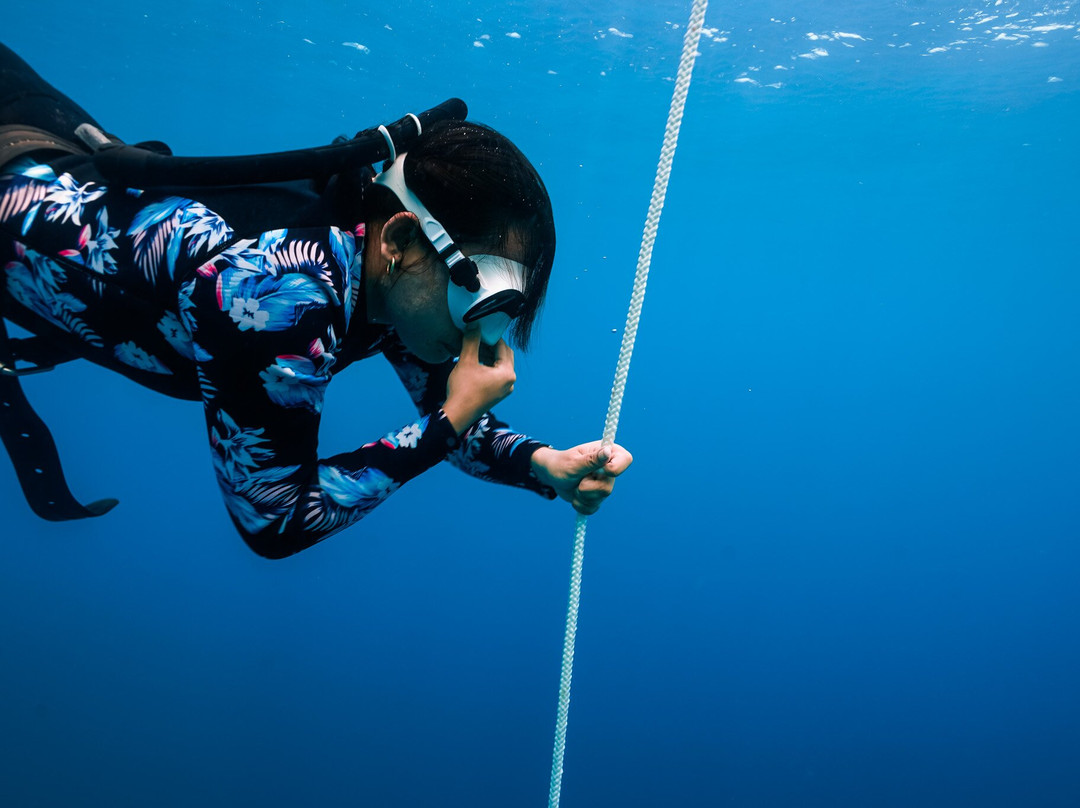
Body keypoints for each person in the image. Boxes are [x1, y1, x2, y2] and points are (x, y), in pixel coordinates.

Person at [0, 43, 631, 558]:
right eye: (481, 292)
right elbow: (275, 520)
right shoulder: (281, 291)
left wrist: (544, 463)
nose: (485, 325)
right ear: (402, 238)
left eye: (508, 303)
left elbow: (458, 409)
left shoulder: (391, 276)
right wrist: (445, 425)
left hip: (40, 141)